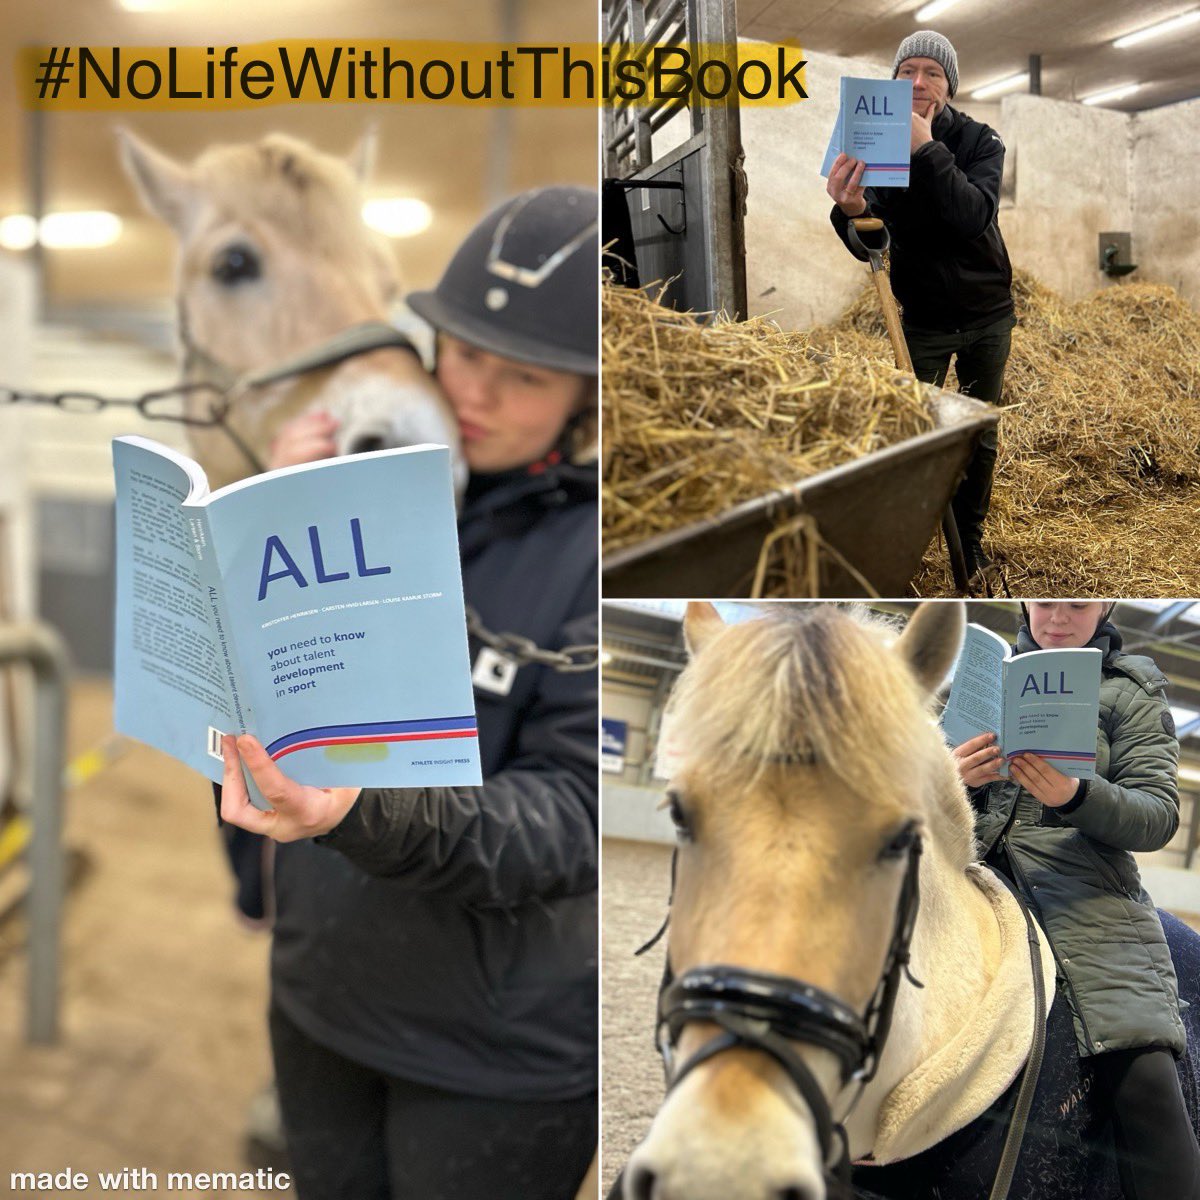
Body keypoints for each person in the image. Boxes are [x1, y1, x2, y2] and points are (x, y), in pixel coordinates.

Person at [216, 186, 599, 1200]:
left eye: (523, 376)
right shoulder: (383, 486)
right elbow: (260, 706)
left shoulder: (598, 555)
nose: (475, 392)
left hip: (493, 1054)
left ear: (586, 398)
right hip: (318, 998)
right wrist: (281, 516)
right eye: (464, 353)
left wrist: (359, 806)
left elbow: (567, 819)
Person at [952, 601, 1200, 1199]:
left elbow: (1160, 815)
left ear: (1107, 606)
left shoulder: (1131, 693)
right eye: (1045, 603)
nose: (1057, 618)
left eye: (1078, 605)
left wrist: (1075, 795)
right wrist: (949, 774)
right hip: (968, 873)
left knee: (1143, 1079)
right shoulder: (985, 677)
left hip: (1084, 895)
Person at [826, 30, 1015, 579]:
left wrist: (926, 148)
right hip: (925, 320)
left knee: (979, 432)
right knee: (915, 432)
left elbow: (972, 216)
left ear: (949, 86)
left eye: (932, 73)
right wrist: (852, 209)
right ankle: (908, 542)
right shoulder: (873, 142)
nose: (918, 83)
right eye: (906, 71)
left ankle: (969, 546)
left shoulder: (981, 142)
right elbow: (870, 241)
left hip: (987, 313)